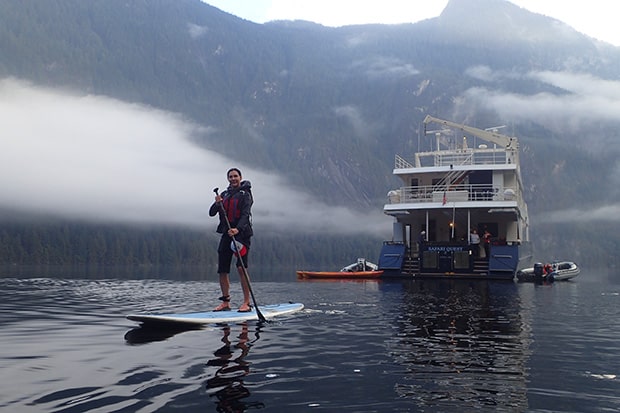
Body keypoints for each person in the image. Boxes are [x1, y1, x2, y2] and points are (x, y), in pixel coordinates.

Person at [209, 168, 254, 312]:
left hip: (241, 235)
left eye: (235, 176)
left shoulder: (245, 194)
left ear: (240, 177)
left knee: (241, 268)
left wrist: (238, 230)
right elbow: (211, 213)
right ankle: (225, 302)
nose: (233, 179)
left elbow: (245, 215)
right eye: (230, 177)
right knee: (222, 269)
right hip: (227, 234)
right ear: (228, 178)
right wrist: (217, 203)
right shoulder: (224, 194)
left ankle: (246, 302)